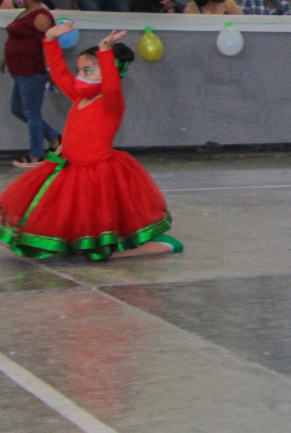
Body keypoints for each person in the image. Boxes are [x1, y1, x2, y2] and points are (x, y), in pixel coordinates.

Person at [0, 25, 182, 259]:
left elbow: (112, 85)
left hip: (97, 174)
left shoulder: (111, 102)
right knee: (72, 220)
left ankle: (163, 245)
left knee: (103, 245)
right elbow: (59, 74)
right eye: (79, 70)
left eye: (87, 71)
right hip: (70, 168)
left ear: (108, 72)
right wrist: (50, 40)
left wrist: (105, 52)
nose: (79, 76)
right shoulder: (79, 97)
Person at [3, 0, 59, 168]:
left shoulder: (41, 16)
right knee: (18, 109)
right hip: (19, 70)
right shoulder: (27, 12)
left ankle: (36, 154)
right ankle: (54, 138)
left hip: (32, 71)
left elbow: (48, 45)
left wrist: (49, 69)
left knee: (32, 112)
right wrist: (6, 59)